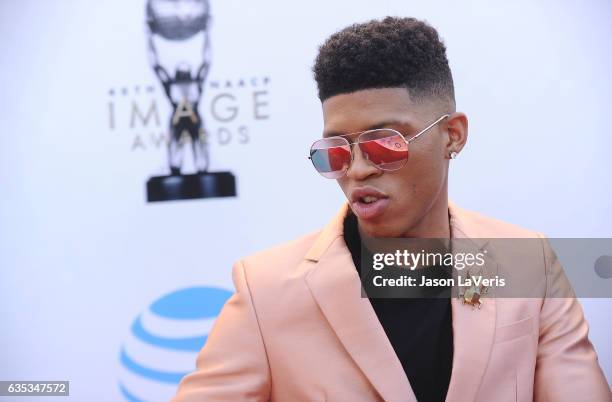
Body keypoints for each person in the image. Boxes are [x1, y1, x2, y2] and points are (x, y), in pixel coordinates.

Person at [172, 17, 610, 402]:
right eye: (337, 152)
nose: (358, 170)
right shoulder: (266, 290)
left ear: (452, 136)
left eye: (385, 145)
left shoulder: (528, 264)